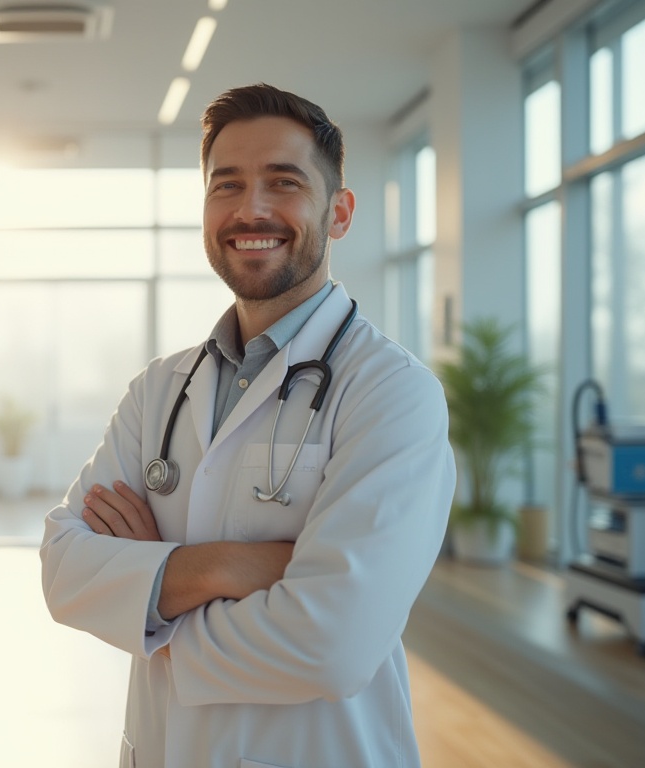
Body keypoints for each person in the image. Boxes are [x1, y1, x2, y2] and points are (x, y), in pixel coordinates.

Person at [39, 83, 456, 768]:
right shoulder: (160, 389)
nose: (250, 210)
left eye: (283, 183)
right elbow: (64, 569)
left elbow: (333, 644)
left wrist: (150, 600)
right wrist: (238, 566)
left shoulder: (391, 392)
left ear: (340, 212)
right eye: (225, 186)